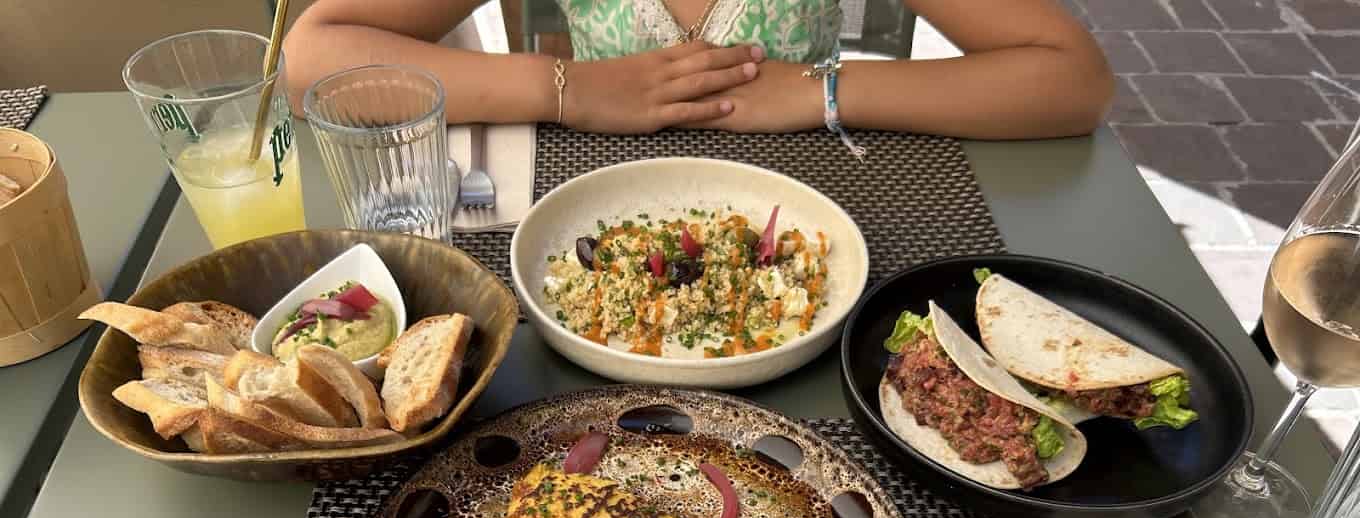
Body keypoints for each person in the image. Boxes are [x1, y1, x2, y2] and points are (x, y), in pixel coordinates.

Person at [283, 0, 1113, 140]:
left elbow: (1071, 78)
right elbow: (312, 57)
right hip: (593, 246)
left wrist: (824, 91)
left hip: (823, 222)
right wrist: (565, 90)